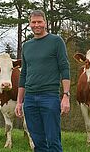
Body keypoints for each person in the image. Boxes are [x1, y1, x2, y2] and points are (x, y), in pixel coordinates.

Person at [15, 10, 71, 152]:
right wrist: (19, 102)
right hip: (30, 100)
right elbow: (24, 75)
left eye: (39, 22)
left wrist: (66, 96)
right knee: (38, 142)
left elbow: (64, 68)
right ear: (29, 24)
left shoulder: (56, 41)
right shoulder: (27, 46)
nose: (36, 25)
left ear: (45, 23)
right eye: (33, 22)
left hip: (49, 97)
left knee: (53, 141)